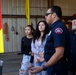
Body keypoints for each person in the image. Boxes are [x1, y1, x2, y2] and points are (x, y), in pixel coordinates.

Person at [30, 6, 70, 75]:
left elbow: (59, 53)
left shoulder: (58, 29)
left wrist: (43, 67)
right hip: (53, 65)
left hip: (57, 68)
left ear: (54, 15)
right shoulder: (54, 28)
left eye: (47, 14)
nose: (45, 16)